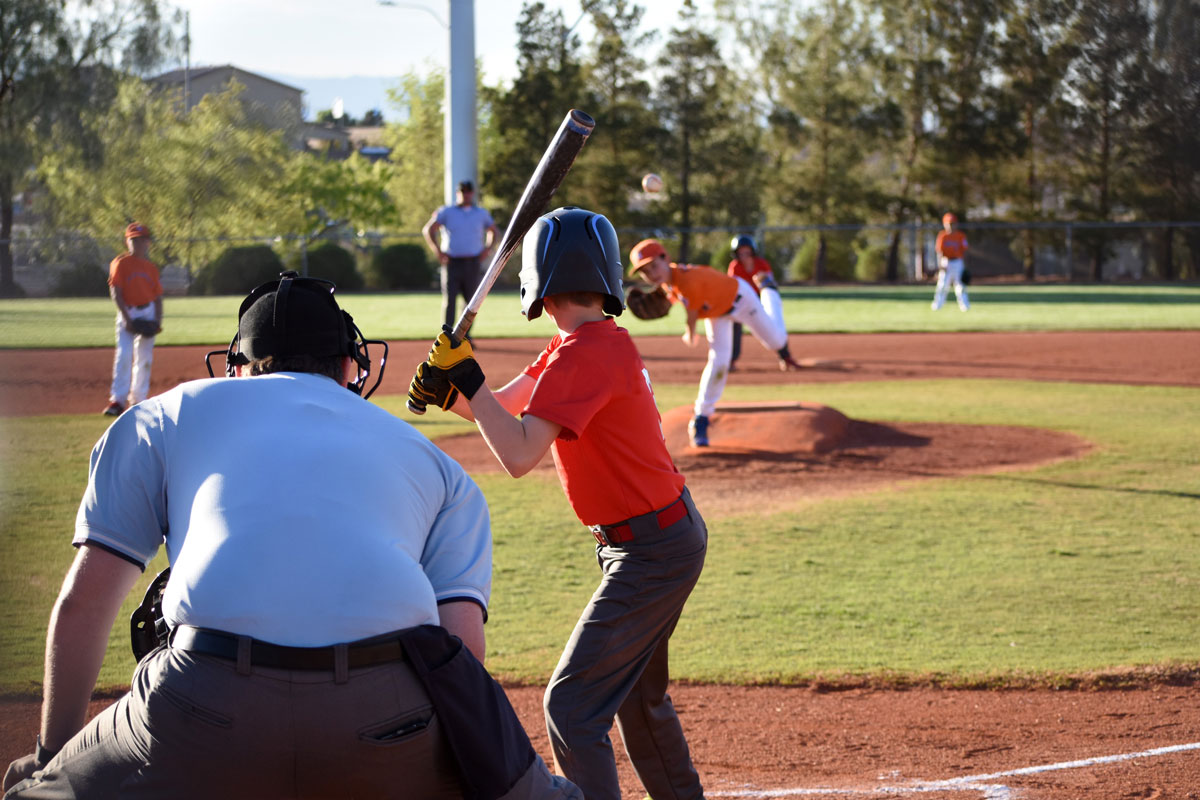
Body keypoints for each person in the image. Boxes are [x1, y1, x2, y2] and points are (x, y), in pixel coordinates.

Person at [4, 272, 577, 800]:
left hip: (201, 706)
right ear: (350, 365)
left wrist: (50, 759)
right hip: (390, 719)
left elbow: (85, 606)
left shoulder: (163, 415)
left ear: (238, 364)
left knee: (32, 792)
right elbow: (461, 652)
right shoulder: (438, 466)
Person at [407, 207, 707, 800]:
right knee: (638, 705)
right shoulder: (581, 345)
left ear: (537, 284)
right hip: (662, 539)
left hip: (650, 551)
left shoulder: (581, 355)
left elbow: (518, 453)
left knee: (571, 708)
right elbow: (511, 407)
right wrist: (457, 391)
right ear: (607, 280)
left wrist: (469, 384)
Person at [628, 238, 799, 448]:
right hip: (717, 313)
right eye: (645, 272)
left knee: (776, 341)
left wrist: (689, 333)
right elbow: (678, 297)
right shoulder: (670, 282)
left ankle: (769, 290)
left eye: (654, 266)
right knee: (719, 362)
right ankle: (701, 418)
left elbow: (691, 314)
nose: (652, 274)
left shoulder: (686, 280)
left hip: (741, 299)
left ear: (666, 259)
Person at [422, 180, 499, 336]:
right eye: (462, 192)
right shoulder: (447, 212)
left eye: (468, 192)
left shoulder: (481, 213)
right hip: (452, 262)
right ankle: (447, 335)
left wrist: (487, 249)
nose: (466, 195)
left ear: (472, 193)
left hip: (472, 262)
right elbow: (429, 229)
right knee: (449, 300)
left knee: (471, 302)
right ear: (458, 193)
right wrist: (437, 251)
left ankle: (464, 336)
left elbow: (494, 231)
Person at [103, 222, 163, 417]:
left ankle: (138, 400)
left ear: (148, 243)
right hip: (128, 312)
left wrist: (157, 320)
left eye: (141, 240)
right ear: (127, 242)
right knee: (124, 355)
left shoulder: (151, 268)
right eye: (133, 240)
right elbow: (116, 292)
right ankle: (117, 401)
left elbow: (157, 297)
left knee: (144, 358)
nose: (137, 244)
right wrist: (127, 319)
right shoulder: (120, 264)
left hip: (147, 311)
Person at [726, 234, 802, 373]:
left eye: (746, 251)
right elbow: (733, 287)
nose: (744, 254)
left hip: (760, 299)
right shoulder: (735, 266)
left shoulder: (761, 263)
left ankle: (786, 358)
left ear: (752, 251)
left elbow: (770, 284)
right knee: (734, 324)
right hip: (743, 302)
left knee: (774, 326)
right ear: (736, 254)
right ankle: (731, 361)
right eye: (740, 252)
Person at [931, 212, 970, 311]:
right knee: (942, 284)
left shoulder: (960, 236)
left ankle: (964, 305)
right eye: (949, 224)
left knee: (960, 285)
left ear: (956, 224)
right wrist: (940, 265)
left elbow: (964, 251)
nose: (951, 226)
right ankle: (937, 304)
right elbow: (939, 252)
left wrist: (964, 266)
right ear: (945, 224)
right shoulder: (943, 236)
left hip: (958, 262)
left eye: (952, 223)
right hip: (946, 261)